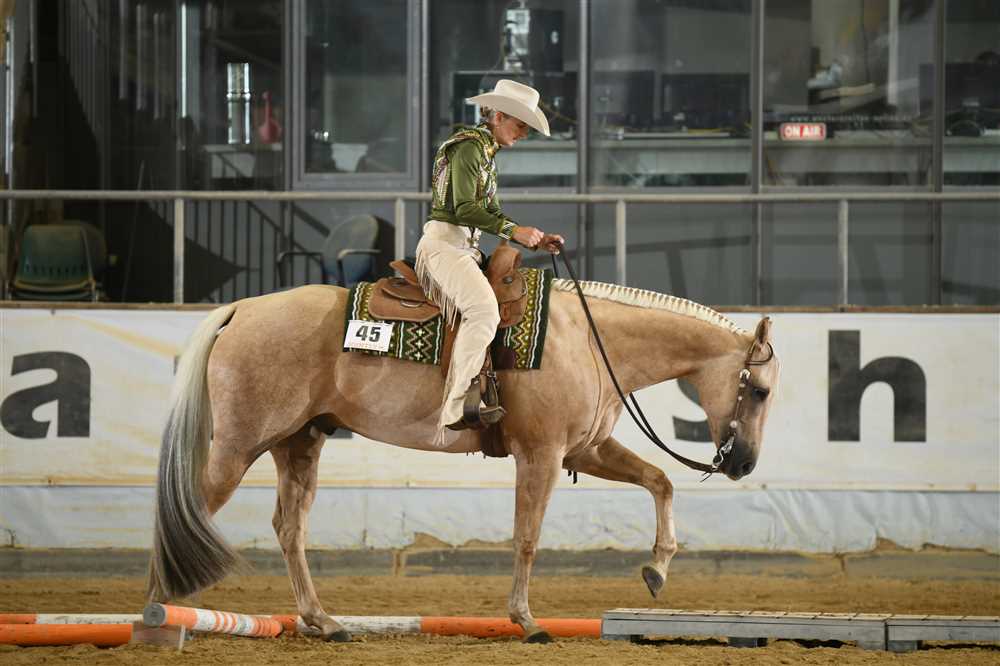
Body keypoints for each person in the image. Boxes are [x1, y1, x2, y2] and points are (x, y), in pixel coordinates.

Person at [417, 79, 563, 443]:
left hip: (465, 248)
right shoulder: (469, 148)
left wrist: (534, 238)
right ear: (498, 117)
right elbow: (465, 209)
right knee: (484, 313)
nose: (523, 134)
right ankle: (456, 405)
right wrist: (514, 231)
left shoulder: (485, 151)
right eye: (520, 125)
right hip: (446, 247)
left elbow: (491, 212)